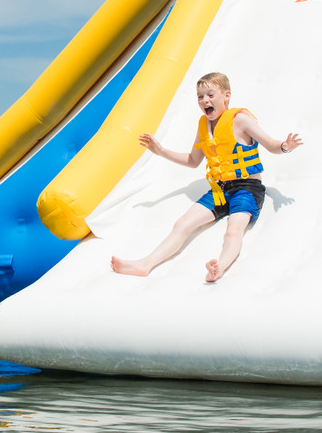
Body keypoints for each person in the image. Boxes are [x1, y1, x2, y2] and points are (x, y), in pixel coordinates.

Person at [110, 72, 303, 283]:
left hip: (247, 188)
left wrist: (285, 147)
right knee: (182, 224)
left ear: (226, 96)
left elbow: (271, 144)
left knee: (234, 230)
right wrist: (161, 151)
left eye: (210, 94)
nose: (205, 101)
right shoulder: (204, 125)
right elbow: (193, 160)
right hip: (219, 189)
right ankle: (145, 265)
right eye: (200, 97)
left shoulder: (240, 120)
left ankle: (219, 268)